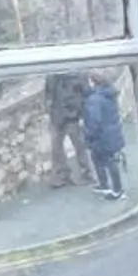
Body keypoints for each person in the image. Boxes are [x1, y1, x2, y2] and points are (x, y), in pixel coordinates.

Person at [81, 69, 127, 201]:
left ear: (93, 82)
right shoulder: (109, 93)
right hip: (112, 134)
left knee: (106, 161)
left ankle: (115, 190)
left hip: (101, 137)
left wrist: (87, 135)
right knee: (103, 160)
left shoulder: (94, 99)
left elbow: (94, 121)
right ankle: (107, 186)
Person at [44, 70, 91, 187]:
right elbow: (48, 94)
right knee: (57, 148)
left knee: (79, 146)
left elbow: (86, 95)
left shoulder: (78, 75)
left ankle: (87, 174)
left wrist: (81, 113)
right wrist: (49, 109)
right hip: (57, 116)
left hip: (72, 116)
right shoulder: (52, 76)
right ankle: (62, 175)